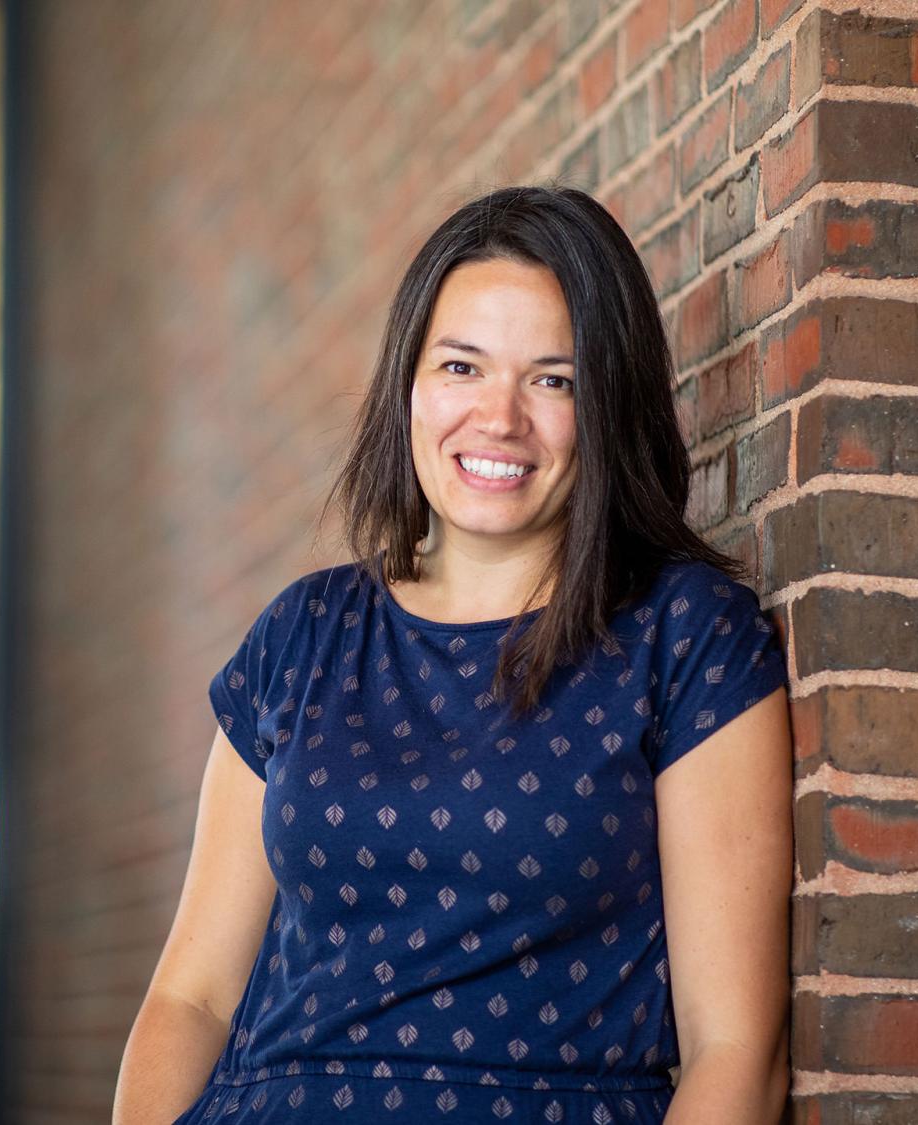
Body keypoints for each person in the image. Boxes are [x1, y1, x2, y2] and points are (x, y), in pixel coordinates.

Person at [114, 184, 794, 1123]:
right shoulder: (303, 635)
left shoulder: (686, 639)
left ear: (609, 408)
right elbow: (191, 996)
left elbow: (736, 1055)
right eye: (463, 367)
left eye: (554, 379)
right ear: (410, 384)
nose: (499, 417)